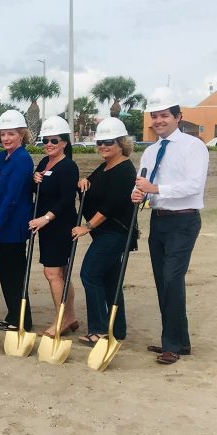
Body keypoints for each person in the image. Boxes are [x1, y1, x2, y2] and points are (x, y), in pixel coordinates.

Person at [130, 87, 209, 365]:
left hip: (184, 220)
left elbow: (193, 186)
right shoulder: (150, 152)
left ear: (178, 117)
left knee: (172, 279)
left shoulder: (193, 147)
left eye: (164, 115)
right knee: (163, 281)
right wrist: (141, 193)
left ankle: (171, 343)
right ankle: (178, 340)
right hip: (159, 220)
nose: (158, 121)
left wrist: (156, 188)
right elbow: (145, 185)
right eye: (155, 116)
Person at [71, 117, 137, 345]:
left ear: (121, 143)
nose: (103, 146)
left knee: (89, 274)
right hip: (104, 233)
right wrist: (82, 182)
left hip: (115, 233)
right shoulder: (105, 166)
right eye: (99, 142)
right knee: (110, 280)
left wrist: (87, 227)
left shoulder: (124, 170)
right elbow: (89, 184)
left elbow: (110, 206)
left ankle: (99, 329)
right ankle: (117, 330)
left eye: (108, 142)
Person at [28, 116, 80, 336]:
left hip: (59, 224)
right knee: (62, 272)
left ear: (64, 143)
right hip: (47, 225)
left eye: (54, 140)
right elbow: (39, 190)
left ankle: (61, 320)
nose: (49, 144)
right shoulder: (43, 162)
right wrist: (34, 178)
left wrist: (45, 218)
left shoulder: (68, 166)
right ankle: (71, 316)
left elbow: (67, 198)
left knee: (52, 273)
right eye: (46, 140)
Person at [0, 109, 34, 332]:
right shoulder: (1, 157)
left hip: (13, 225)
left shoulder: (23, 159)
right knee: (5, 273)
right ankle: (13, 314)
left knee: (14, 274)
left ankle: (22, 319)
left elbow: (13, 197)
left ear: (21, 135)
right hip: (1, 222)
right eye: (3, 134)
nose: (6, 138)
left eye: (11, 134)